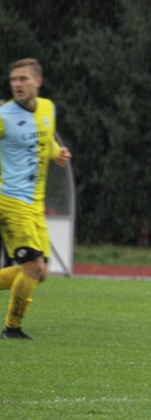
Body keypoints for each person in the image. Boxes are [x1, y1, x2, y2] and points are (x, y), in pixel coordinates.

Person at [0, 58, 72, 339]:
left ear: (37, 82)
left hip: (34, 204)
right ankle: (12, 328)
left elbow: (46, 140)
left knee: (40, 272)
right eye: (14, 80)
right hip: (10, 201)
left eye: (23, 79)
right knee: (33, 267)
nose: (17, 84)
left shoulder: (47, 108)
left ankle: (12, 327)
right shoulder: (4, 116)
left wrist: (57, 153)